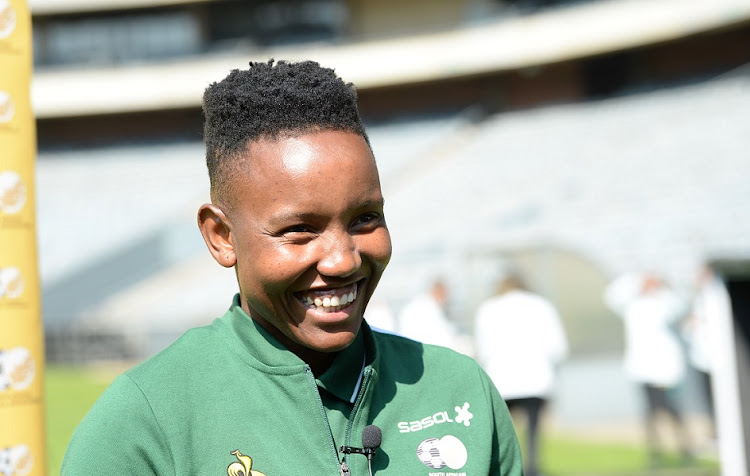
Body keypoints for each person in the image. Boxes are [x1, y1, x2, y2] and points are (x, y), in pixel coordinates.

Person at [62, 60, 523, 475]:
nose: (344, 259)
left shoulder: (460, 391)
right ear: (222, 238)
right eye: (300, 229)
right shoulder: (143, 422)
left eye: (365, 218)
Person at [474, 272, 568, 476]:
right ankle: (532, 469)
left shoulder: (488, 309)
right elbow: (558, 346)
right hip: (536, 379)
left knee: (500, 432)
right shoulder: (542, 306)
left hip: (501, 379)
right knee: (533, 430)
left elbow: (481, 348)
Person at [604, 271, 693, 466]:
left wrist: (661, 288)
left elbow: (679, 307)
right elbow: (612, 296)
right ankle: (655, 451)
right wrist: (637, 279)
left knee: (672, 410)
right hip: (641, 368)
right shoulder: (632, 304)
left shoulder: (664, 303)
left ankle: (685, 448)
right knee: (650, 411)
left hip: (665, 369)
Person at [682, 264, 731, 442]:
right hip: (703, 359)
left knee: (726, 397)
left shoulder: (718, 294)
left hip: (720, 358)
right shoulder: (699, 297)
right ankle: (718, 430)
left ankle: (728, 429)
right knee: (710, 398)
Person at [398, 279, 473, 355]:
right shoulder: (429, 308)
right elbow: (443, 340)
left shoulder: (417, 305)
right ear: (439, 292)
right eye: (446, 295)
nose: (446, 300)